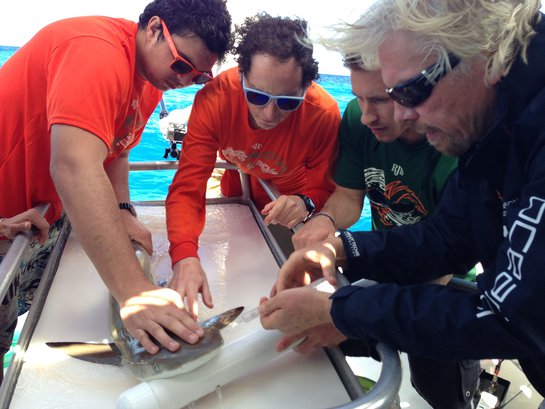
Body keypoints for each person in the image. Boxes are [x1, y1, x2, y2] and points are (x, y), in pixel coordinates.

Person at [259, 0, 545, 403]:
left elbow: (512, 317)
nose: (402, 114)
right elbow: (448, 236)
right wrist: (341, 248)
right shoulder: (493, 128)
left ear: (490, 54)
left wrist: (342, 310)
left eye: (410, 91)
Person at [0, 0, 233, 376]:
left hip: (30, 221)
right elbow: (74, 166)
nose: (185, 81)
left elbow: (115, 149)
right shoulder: (96, 51)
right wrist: (135, 294)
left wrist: (123, 210)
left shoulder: (150, 80)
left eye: (198, 77)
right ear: (155, 29)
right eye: (183, 65)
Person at [290, 62, 478, 409]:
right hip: (381, 260)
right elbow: (348, 195)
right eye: (359, 98)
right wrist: (325, 222)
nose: (366, 116)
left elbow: (445, 254)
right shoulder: (357, 117)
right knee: (316, 340)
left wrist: (354, 320)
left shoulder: (453, 147)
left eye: (379, 100)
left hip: (446, 284)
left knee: (439, 389)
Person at [165, 13, 340, 317]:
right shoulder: (214, 99)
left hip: (290, 202)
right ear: (241, 75)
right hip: (240, 186)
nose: (270, 114)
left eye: (287, 102)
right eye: (257, 96)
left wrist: (305, 202)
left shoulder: (323, 113)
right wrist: (184, 255)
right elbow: (189, 185)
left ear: (306, 87)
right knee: (238, 276)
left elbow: (326, 186)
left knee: (291, 287)